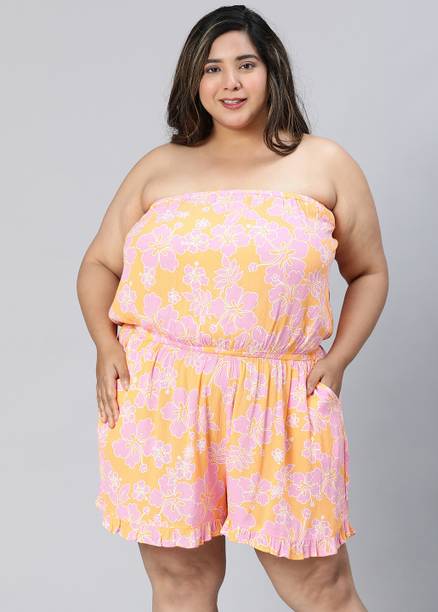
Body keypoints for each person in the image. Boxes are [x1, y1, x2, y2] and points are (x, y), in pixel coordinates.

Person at [77, 5, 388, 611]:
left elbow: (369, 271)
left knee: (322, 590)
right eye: (212, 68)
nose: (231, 83)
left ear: (272, 70)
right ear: (193, 81)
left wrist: (338, 361)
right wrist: (105, 344)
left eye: (246, 64)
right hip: (166, 399)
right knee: (182, 586)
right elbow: (98, 265)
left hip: (281, 401)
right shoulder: (159, 167)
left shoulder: (324, 162)